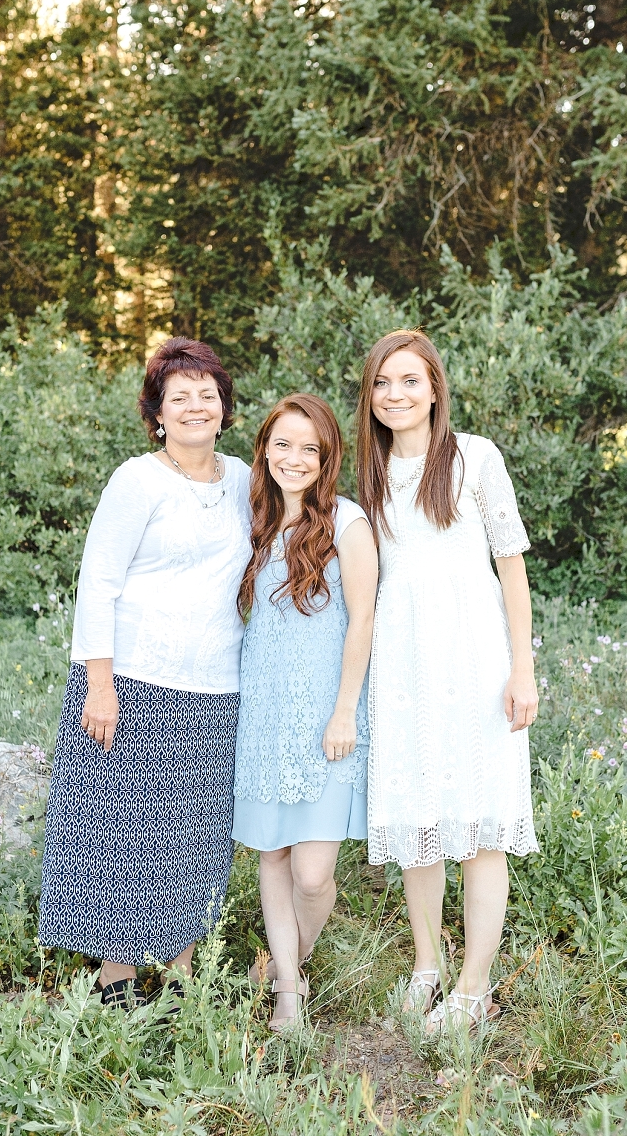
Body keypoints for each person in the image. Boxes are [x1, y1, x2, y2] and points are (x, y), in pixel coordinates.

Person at [38, 336, 252, 1009]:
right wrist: (100, 685)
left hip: (215, 683)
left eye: (207, 395)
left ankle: (184, 974)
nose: (195, 406)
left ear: (224, 409)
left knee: (195, 831)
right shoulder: (138, 480)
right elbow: (97, 582)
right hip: (129, 679)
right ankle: (117, 979)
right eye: (178, 396)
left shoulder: (247, 478)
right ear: (157, 412)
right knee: (122, 829)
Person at [357, 329, 539, 1033]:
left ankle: (473, 987)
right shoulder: (370, 476)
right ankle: (426, 966)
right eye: (382, 383)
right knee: (418, 825)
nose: (395, 394)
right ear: (369, 397)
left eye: (409, 380)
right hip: (402, 669)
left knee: (480, 827)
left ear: (435, 386)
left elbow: (512, 567)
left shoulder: (475, 459)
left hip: (475, 662)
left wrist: (521, 667)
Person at [232, 394, 378, 1031]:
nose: (295, 459)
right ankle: (289, 987)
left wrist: (344, 711)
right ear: (265, 449)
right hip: (264, 714)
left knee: (314, 873)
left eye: (309, 449)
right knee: (273, 855)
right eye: (283, 445)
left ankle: (294, 957)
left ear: (327, 458)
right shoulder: (255, 521)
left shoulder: (347, 523)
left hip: (326, 717)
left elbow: (363, 621)